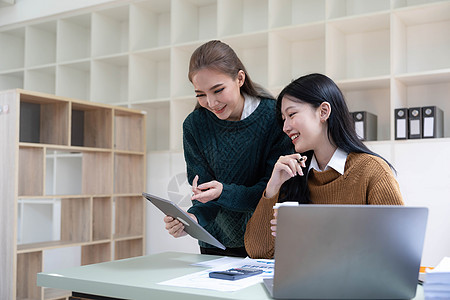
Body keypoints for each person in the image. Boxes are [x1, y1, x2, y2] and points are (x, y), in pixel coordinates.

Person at [244, 73, 404, 259]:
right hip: (302, 283)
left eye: (292, 114)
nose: (285, 127)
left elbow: (396, 250)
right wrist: (272, 188)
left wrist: (310, 230)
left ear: (323, 112)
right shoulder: (293, 174)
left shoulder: (372, 171)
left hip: (353, 285)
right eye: (283, 119)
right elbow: (257, 251)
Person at [163, 40, 293, 257]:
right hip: (214, 244)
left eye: (218, 90)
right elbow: (205, 195)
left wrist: (224, 192)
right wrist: (191, 220)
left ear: (240, 78)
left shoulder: (274, 117)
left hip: (264, 242)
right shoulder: (194, 125)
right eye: (200, 94)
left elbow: (273, 190)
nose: (211, 102)